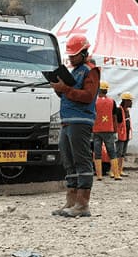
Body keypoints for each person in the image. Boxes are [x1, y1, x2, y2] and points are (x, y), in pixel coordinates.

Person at [49, 34, 100, 218]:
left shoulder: (90, 71)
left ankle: (82, 204)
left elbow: (87, 96)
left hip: (81, 121)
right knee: (69, 161)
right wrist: (59, 90)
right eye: (69, 55)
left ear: (84, 52)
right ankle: (71, 202)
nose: (70, 58)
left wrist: (65, 89)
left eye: (74, 55)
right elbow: (69, 95)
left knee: (81, 161)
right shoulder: (74, 71)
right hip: (68, 120)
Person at [92, 80, 120, 181]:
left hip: (97, 130)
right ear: (106, 90)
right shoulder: (112, 102)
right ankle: (116, 174)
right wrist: (115, 129)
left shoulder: (94, 101)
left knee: (97, 152)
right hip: (109, 130)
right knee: (112, 152)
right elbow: (114, 117)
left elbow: (91, 115)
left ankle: (99, 175)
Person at [114, 92, 133, 178]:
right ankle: (114, 171)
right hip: (120, 135)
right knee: (118, 152)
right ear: (125, 101)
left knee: (122, 153)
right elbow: (116, 122)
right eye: (130, 101)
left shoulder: (127, 111)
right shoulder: (119, 110)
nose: (131, 103)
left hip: (126, 135)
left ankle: (120, 170)